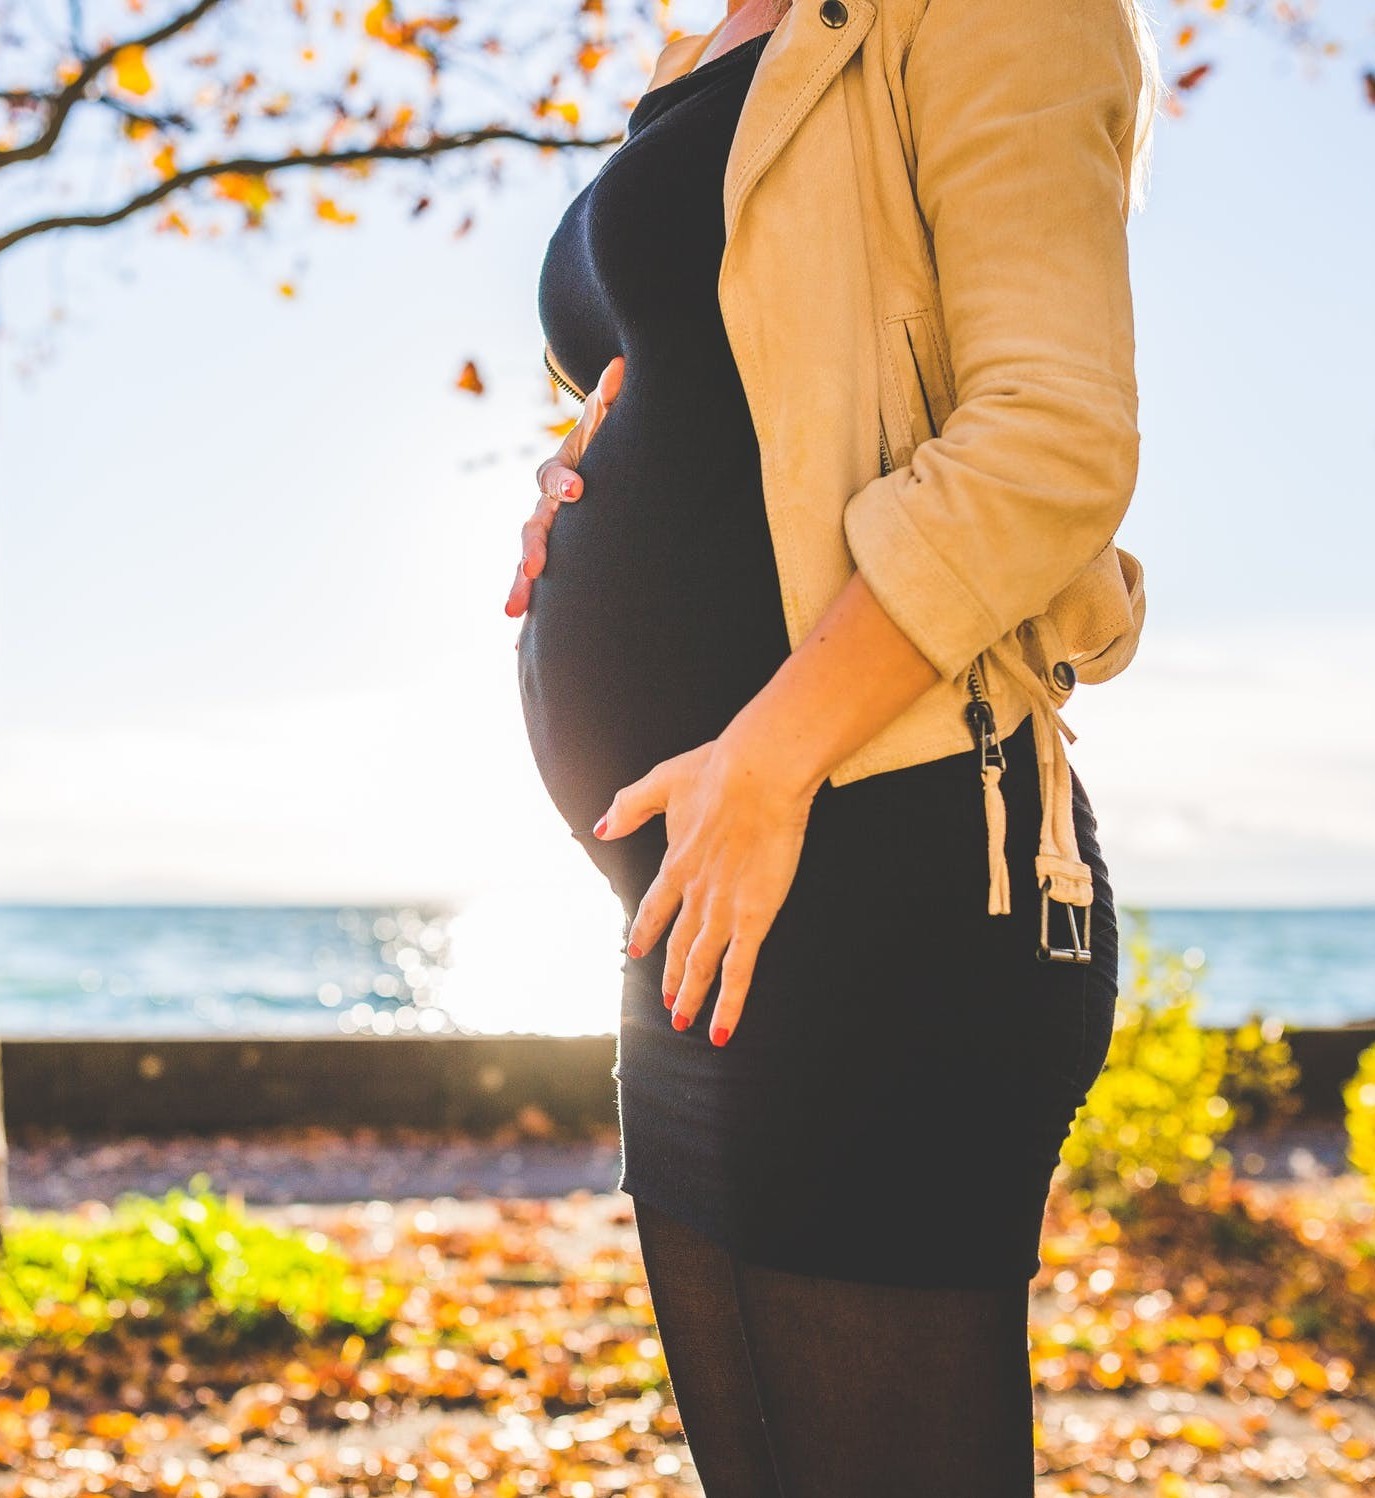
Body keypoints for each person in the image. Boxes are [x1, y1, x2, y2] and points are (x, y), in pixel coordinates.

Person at [506, 0, 1162, 1493]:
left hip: (890, 858)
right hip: (694, 907)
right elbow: (741, 380)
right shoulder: (707, 46)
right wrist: (580, 466)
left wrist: (766, 758)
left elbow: (1052, 433)